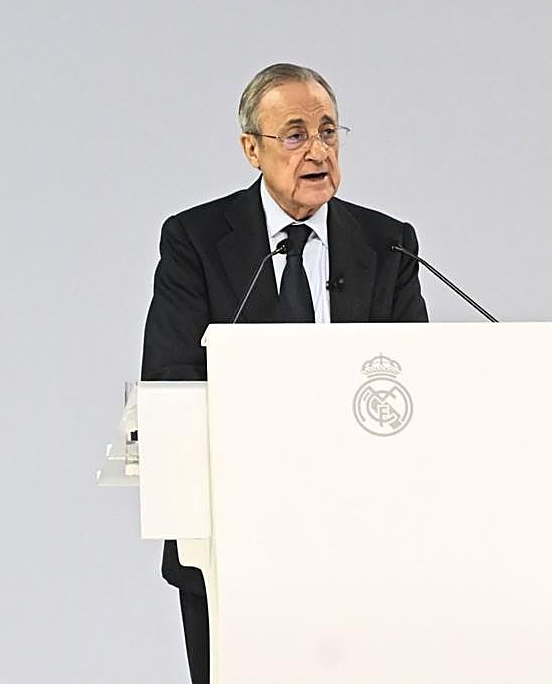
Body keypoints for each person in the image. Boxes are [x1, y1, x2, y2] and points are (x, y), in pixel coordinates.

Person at [140, 63, 428, 683]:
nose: (317, 150)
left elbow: (417, 383)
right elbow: (171, 377)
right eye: (294, 135)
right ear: (252, 149)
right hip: (233, 536)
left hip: (362, 536)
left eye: (328, 131)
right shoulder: (195, 239)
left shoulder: (389, 244)